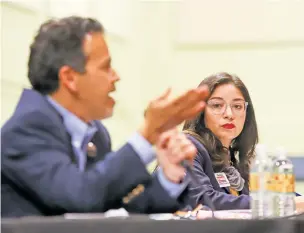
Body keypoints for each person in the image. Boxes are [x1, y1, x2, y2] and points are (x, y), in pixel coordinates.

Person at [1, 16, 209, 217]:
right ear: (69, 78)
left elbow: (128, 207)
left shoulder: (96, 134)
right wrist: (146, 135)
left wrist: (169, 176)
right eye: (105, 67)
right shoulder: (26, 129)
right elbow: (78, 198)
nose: (115, 76)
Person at [183, 72, 257, 210]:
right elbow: (204, 200)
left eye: (237, 106)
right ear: (200, 111)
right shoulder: (188, 146)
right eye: (217, 105)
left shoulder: (233, 159)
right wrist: (276, 203)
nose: (229, 114)